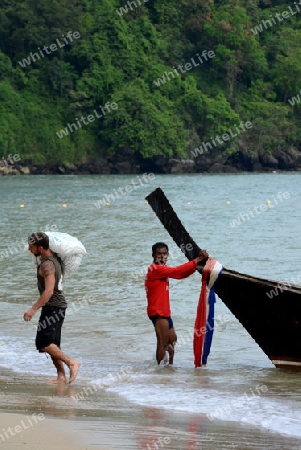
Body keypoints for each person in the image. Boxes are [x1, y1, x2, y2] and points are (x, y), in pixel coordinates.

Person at [23, 232, 81, 384]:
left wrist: (33, 309)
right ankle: (61, 376)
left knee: (43, 343)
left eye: (31, 247)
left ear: (41, 248)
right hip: (57, 306)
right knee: (53, 344)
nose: (29, 250)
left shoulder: (47, 264)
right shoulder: (56, 259)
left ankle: (71, 363)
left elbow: (49, 291)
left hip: (53, 306)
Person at [145, 242, 208, 365]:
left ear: (168, 255)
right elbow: (178, 270)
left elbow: (180, 274)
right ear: (153, 255)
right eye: (159, 254)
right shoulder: (154, 269)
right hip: (158, 312)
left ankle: (169, 367)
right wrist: (198, 259)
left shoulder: (162, 270)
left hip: (165, 312)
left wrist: (196, 267)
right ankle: (159, 370)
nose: (162, 256)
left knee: (172, 340)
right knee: (162, 343)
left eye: (164, 254)